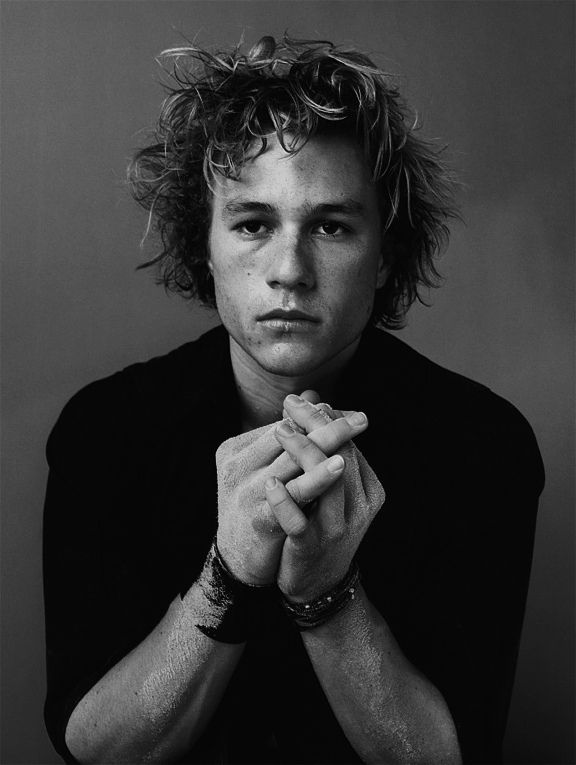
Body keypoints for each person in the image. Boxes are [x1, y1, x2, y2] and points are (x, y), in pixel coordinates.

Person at [43, 36, 544, 765]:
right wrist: (231, 570)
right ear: (203, 245)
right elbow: (96, 749)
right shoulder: (105, 432)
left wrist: (329, 592)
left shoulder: (482, 444)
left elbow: (444, 756)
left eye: (332, 226)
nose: (289, 270)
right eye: (252, 224)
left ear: (385, 256)